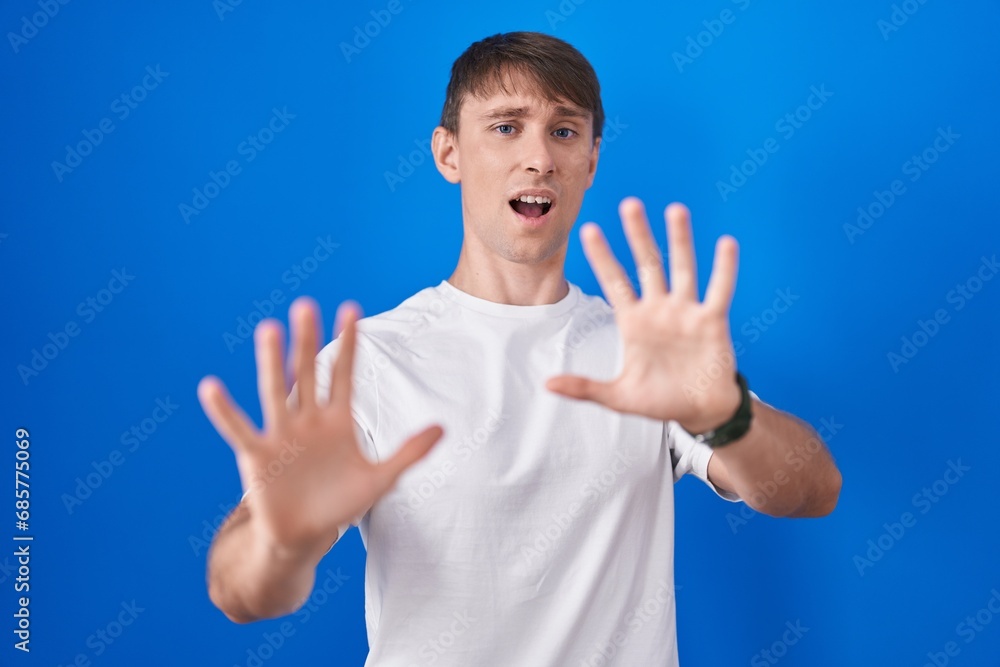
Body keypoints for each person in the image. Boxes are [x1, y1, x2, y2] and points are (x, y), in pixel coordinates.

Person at [198, 31, 842, 666]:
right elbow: (242, 592)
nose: (539, 157)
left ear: (591, 159)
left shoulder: (642, 351)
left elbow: (812, 490)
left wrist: (723, 413)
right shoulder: (369, 364)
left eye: (564, 131)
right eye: (506, 127)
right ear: (448, 153)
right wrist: (279, 546)